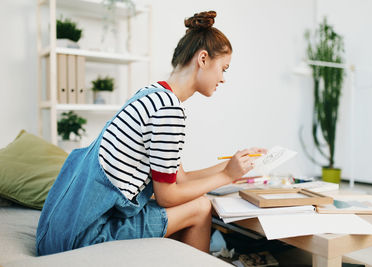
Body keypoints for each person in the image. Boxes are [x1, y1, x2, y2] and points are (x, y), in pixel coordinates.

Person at [36, 11, 266, 255]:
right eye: (224, 68)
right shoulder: (169, 110)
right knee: (200, 207)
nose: (223, 79)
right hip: (82, 236)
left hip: (58, 231)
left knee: (192, 205)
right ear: (203, 59)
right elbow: (167, 196)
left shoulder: (152, 94)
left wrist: (232, 166)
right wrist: (226, 177)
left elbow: (182, 179)